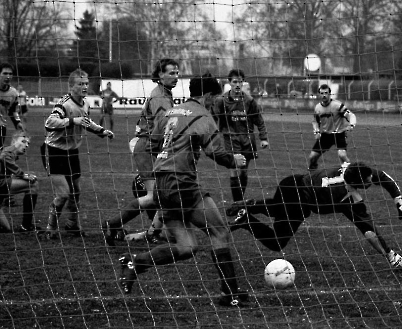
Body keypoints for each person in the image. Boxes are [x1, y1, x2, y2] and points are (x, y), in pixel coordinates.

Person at [116, 73, 249, 307]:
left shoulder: (171, 112)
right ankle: (231, 292)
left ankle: (134, 263)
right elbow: (215, 151)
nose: (214, 103)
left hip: (162, 185)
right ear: (208, 96)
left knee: (187, 246)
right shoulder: (202, 114)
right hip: (181, 184)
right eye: (214, 98)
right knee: (219, 232)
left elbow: (153, 140)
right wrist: (234, 160)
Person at [226, 162, 402, 271]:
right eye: (368, 182)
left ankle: (249, 206)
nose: (372, 182)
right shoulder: (346, 197)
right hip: (299, 200)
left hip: (292, 182)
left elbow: (383, 176)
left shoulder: (353, 170)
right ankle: (246, 219)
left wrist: (399, 201)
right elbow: (368, 231)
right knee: (276, 242)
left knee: (277, 209)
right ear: (356, 183)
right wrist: (390, 256)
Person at [102, 58, 179, 245]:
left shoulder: (163, 93)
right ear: (160, 74)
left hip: (149, 146)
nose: (175, 76)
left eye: (177, 73)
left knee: (162, 195)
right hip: (148, 147)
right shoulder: (160, 97)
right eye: (171, 73)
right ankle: (113, 224)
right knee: (155, 197)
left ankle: (153, 232)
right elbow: (164, 125)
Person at [40, 69, 114, 239]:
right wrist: (72, 120)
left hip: (72, 151)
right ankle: (50, 228)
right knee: (63, 193)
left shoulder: (86, 103)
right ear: (71, 86)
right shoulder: (64, 104)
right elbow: (49, 123)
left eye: (86, 83)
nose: (85, 86)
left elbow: (86, 122)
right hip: (54, 151)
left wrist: (102, 131)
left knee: (76, 191)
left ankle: (72, 224)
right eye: (80, 84)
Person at [213, 69, 268, 205]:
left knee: (243, 172)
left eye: (240, 82)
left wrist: (263, 138)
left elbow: (258, 120)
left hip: (247, 139)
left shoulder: (249, 101)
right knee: (234, 170)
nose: (238, 84)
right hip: (230, 139)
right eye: (235, 82)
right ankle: (238, 204)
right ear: (229, 83)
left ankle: (240, 203)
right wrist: (213, 133)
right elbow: (213, 118)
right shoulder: (222, 100)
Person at [308, 84, 356, 170]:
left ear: (330, 94)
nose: (324, 95)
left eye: (326, 93)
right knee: (312, 157)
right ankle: (312, 172)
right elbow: (315, 121)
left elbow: (351, 115)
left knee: (342, 155)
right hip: (326, 135)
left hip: (339, 133)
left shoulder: (337, 105)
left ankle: (351, 172)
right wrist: (317, 131)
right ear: (319, 94)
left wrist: (351, 125)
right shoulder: (318, 108)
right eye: (322, 93)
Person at [0, 131, 39, 233]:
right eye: (23, 141)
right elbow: (3, 157)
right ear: (14, 141)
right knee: (33, 185)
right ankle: (26, 225)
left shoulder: (11, 153)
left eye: (28, 143)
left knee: (6, 229)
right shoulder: (9, 151)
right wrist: (22, 174)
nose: (26, 145)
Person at [0, 63, 25, 148]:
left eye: (10, 74)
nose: (8, 76)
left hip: (1, 126)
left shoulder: (13, 93)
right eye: (5, 73)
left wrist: (17, 122)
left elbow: (13, 111)